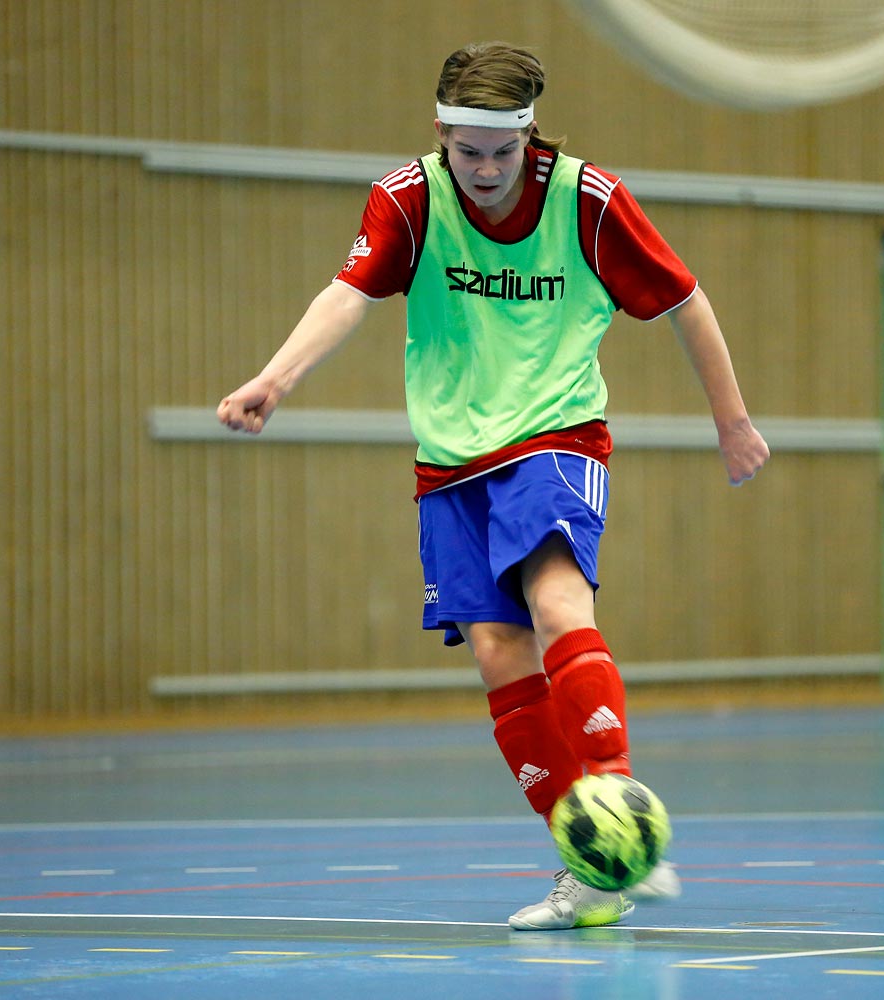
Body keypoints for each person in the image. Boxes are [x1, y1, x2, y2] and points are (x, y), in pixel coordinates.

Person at [218, 42, 769, 929]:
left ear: (529, 138)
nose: (482, 170)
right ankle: (592, 870)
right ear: (441, 134)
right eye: (466, 150)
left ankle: (616, 799)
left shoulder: (588, 201)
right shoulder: (408, 197)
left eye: (500, 153)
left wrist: (731, 420)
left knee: (557, 608)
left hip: (555, 436)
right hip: (449, 458)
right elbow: (348, 294)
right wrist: (274, 380)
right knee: (497, 654)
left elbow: (684, 301)